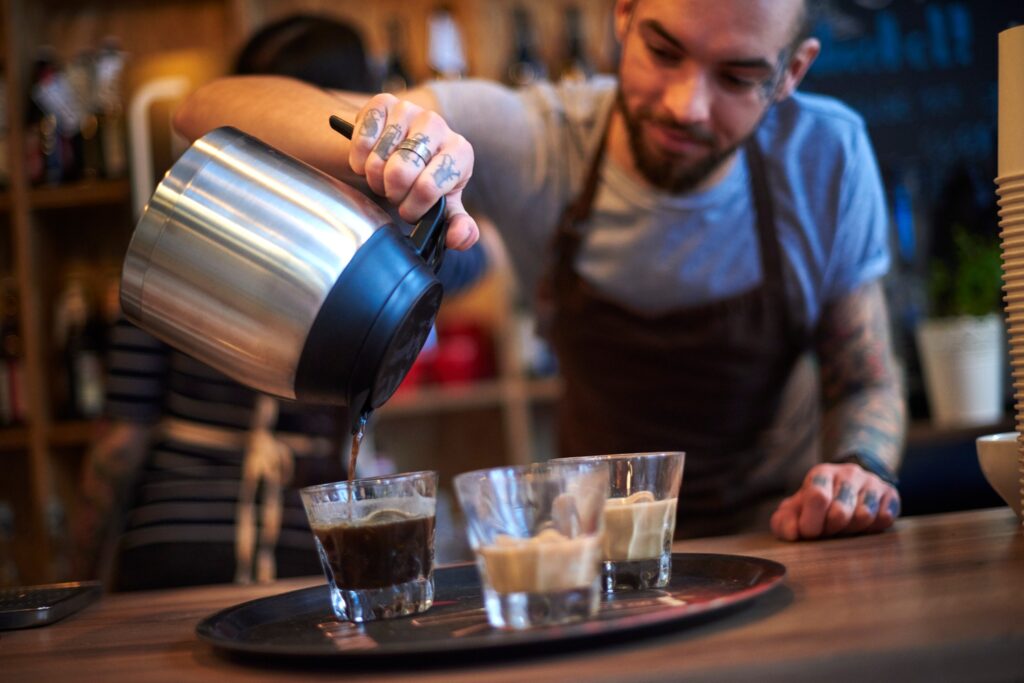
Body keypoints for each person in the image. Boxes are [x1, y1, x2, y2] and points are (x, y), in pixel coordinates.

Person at [173, 0, 906, 541]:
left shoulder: (826, 158)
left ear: (792, 71)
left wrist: (854, 469)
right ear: (623, 15)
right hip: (595, 553)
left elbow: (864, 375)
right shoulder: (538, 141)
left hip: (784, 535)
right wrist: (386, 135)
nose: (689, 105)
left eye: (739, 77)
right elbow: (204, 109)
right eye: (663, 51)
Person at [72, 14, 485, 590]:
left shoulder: (184, 227)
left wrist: (82, 566)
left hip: (169, 540)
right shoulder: (381, 242)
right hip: (313, 551)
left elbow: (122, 439)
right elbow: (470, 259)